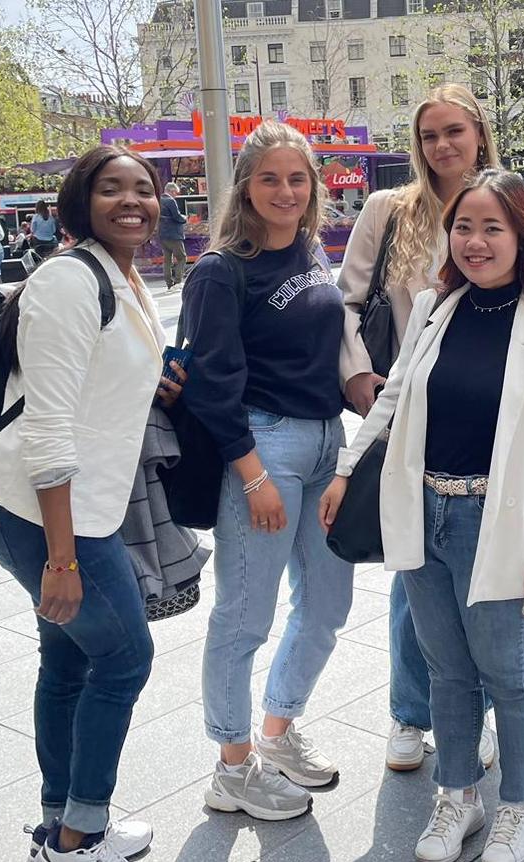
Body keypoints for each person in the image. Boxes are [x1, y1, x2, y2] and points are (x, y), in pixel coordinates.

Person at [320, 169, 524, 862]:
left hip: (495, 521)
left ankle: (520, 803)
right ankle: (457, 795)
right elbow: (393, 395)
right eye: (464, 227)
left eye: (493, 227)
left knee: (506, 670)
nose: (475, 241)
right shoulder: (436, 308)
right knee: (446, 669)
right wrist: (346, 468)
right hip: (422, 509)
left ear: (522, 236)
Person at [0, 145, 182, 862]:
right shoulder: (68, 280)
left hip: (76, 507)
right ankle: (78, 842)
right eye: (111, 188)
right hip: (41, 511)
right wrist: (61, 558)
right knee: (124, 659)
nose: (132, 200)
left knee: (67, 662)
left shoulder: (118, 274)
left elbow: (94, 382)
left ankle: (56, 827)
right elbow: (49, 427)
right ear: (78, 202)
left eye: (144, 189)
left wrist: (154, 380)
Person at [180, 120, 354, 822]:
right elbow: (210, 383)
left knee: (327, 606)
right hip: (265, 447)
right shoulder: (221, 270)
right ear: (245, 188)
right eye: (270, 178)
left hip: (325, 443)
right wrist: (252, 475)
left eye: (297, 178)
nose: (286, 191)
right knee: (244, 616)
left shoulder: (310, 250)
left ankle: (277, 732)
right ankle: (231, 765)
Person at [338, 83, 501, 773]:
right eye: (429, 134)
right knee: (413, 570)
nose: (441, 145)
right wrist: (356, 373)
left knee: (483, 575)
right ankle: (410, 712)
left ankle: (476, 713)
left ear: (478, 133)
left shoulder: (505, 205)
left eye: (453, 131)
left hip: (486, 418)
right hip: (407, 416)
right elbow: (346, 302)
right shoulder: (388, 209)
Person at [159, 181, 188, 289]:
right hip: (174, 234)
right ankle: (178, 281)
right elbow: (177, 216)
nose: (176, 195)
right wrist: (185, 218)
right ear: (171, 191)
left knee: (167, 260)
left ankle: (169, 282)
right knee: (182, 258)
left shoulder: (159, 200)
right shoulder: (170, 201)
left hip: (162, 234)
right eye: (175, 192)